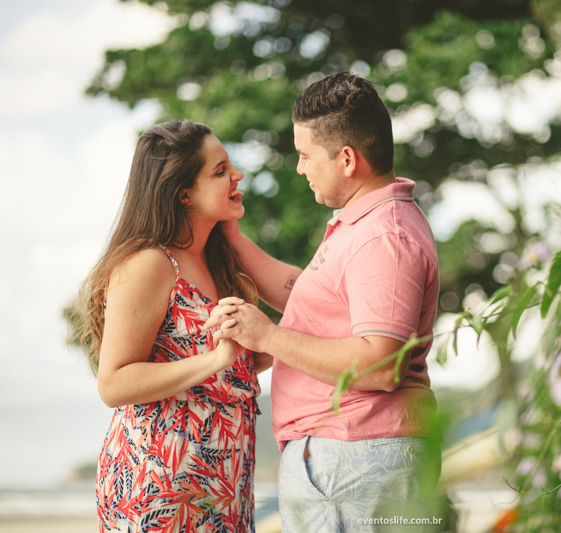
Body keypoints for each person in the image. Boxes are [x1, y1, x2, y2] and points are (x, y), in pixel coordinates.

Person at [205, 71, 442, 531]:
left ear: (347, 159)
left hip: (355, 459)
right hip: (353, 459)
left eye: (305, 155)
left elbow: (380, 365)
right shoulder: (367, 224)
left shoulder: (383, 237)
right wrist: (232, 237)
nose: (300, 168)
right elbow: (303, 294)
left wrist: (267, 336)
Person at [74, 120, 272, 532]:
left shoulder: (220, 260)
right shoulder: (150, 263)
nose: (237, 175)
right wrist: (215, 358)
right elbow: (114, 383)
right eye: (220, 171)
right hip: (160, 488)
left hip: (224, 484)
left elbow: (229, 370)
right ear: (185, 193)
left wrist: (266, 347)